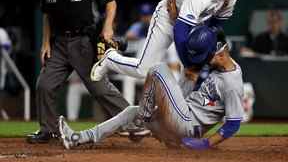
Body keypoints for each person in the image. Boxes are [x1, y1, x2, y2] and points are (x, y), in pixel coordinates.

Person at [59, 26, 244, 150]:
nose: (202, 61)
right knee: (131, 111)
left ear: (220, 54)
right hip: (181, 120)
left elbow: (233, 123)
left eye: (206, 56)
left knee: (157, 68)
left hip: (188, 126)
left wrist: (205, 144)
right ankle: (78, 138)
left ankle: (142, 121)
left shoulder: (231, 83)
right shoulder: (220, 64)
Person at [26, 0, 131, 143]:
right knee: (44, 85)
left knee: (99, 88)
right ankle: (48, 130)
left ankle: (134, 123)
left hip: (83, 42)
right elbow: (47, 15)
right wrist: (45, 43)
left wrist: (107, 28)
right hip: (59, 44)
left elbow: (111, 3)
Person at [90, 0, 253, 82]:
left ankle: (180, 119)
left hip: (191, 23)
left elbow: (215, 26)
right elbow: (179, 31)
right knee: (144, 69)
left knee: (191, 74)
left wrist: (202, 42)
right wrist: (189, 64)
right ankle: (109, 58)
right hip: (167, 19)